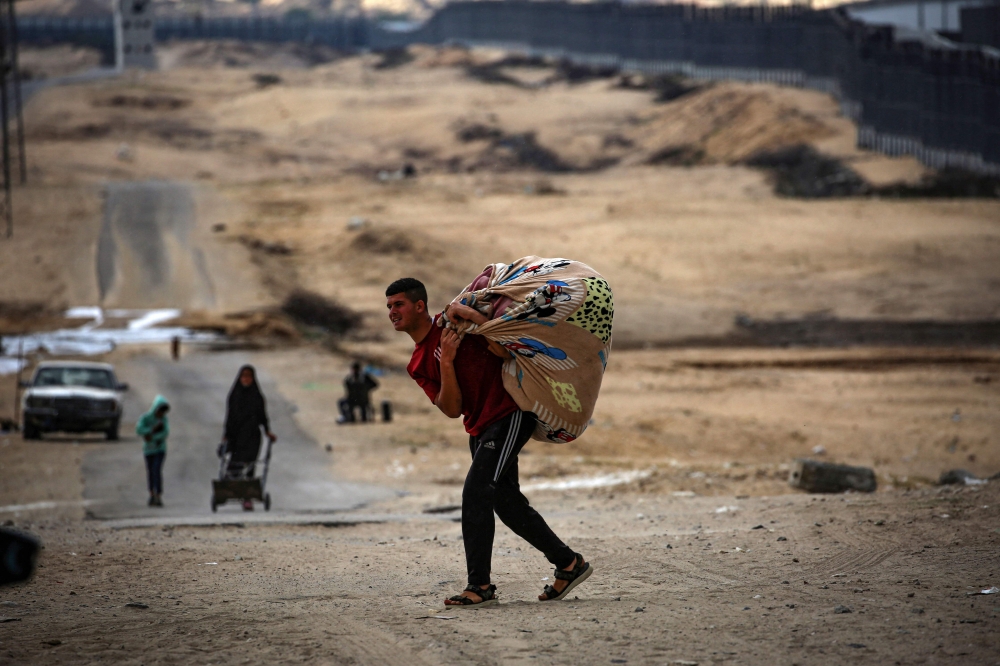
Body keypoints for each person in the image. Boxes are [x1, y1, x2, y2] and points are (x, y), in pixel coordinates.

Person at [386, 277, 592, 608]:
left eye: (398, 304)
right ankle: (569, 564)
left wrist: (474, 320)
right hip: (479, 427)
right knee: (506, 503)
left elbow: (502, 345)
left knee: (476, 492)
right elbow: (452, 409)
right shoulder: (417, 364)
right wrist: (447, 361)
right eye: (389, 307)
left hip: (509, 412)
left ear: (419, 306)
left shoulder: (454, 319)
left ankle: (479, 586)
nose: (392, 312)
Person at [222, 365, 276, 511]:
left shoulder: (257, 396)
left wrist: (268, 431)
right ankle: (231, 490)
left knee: (251, 465)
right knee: (236, 464)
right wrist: (226, 435)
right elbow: (230, 417)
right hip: (236, 436)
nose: (246, 379)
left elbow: (263, 416)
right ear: (239, 378)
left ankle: (247, 498)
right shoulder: (234, 395)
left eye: (249, 377)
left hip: (253, 436)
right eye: (244, 376)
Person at [136, 395, 170, 507]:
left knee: (157, 470)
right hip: (149, 450)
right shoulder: (146, 418)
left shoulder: (163, 420)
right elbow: (139, 429)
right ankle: (151, 494)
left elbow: (165, 433)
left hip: (160, 449)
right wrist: (151, 430)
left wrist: (152, 436)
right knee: (150, 472)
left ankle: (158, 495)